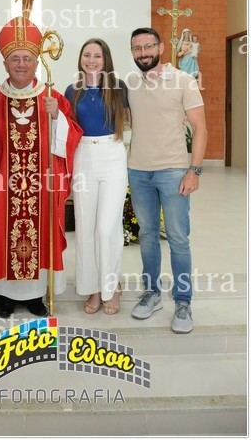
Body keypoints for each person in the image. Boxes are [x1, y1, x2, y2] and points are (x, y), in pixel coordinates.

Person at [0, 16, 82, 318]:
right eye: (15, 59)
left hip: (41, 188)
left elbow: (73, 135)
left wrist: (57, 116)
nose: (21, 64)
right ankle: (4, 296)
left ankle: (36, 296)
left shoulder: (52, 97)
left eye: (27, 59)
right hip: (3, 187)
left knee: (39, 236)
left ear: (37, 62)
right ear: (5, 64)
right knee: (3, 233)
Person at [127, 27, 207, 334]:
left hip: (173, 171)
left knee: (178, 239)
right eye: (137, 48)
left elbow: (200, 128)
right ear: (132, 52)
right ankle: (152, 294)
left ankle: (183, 302)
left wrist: (194, 170)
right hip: (138, 171)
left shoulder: (183, 80)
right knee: (147, 236)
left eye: (148, 46)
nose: (143, 53)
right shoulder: (131, 83)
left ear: (160, 48)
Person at [65, 39, 129, 315]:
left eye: (97, 56)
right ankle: (92, 287)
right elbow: (67, 129)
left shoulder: (119, 88)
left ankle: (111, 287)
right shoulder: (73, 91)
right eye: (87, 55)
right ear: (80, 59)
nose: (91, 60)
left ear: (106, 60)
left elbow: (134, 120)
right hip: (84, 157)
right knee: (86, 226)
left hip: (112, 155)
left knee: (106, 227)